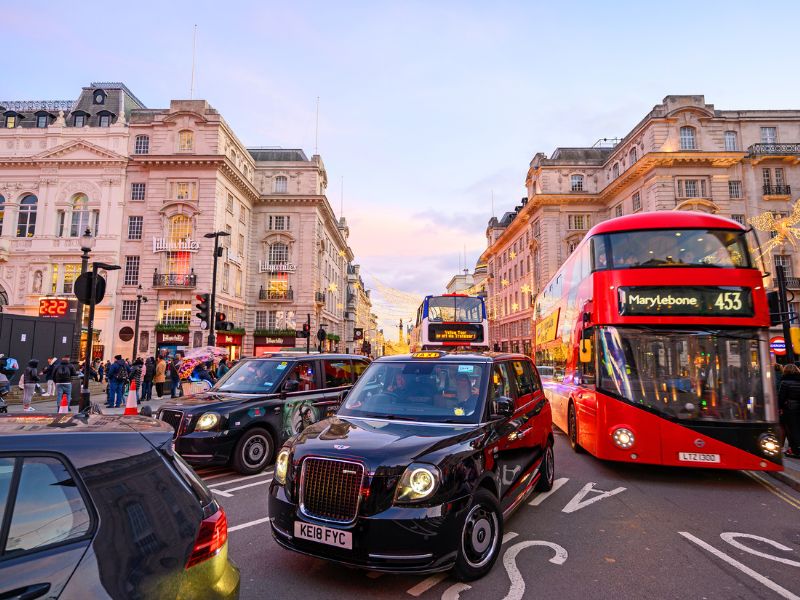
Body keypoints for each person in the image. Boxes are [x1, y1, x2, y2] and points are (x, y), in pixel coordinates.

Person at [779, 364, 800, 458]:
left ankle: (796, 449)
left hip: (790, 408)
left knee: (792, 429)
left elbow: (781, 397)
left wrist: (779, 408)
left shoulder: (784, 382)